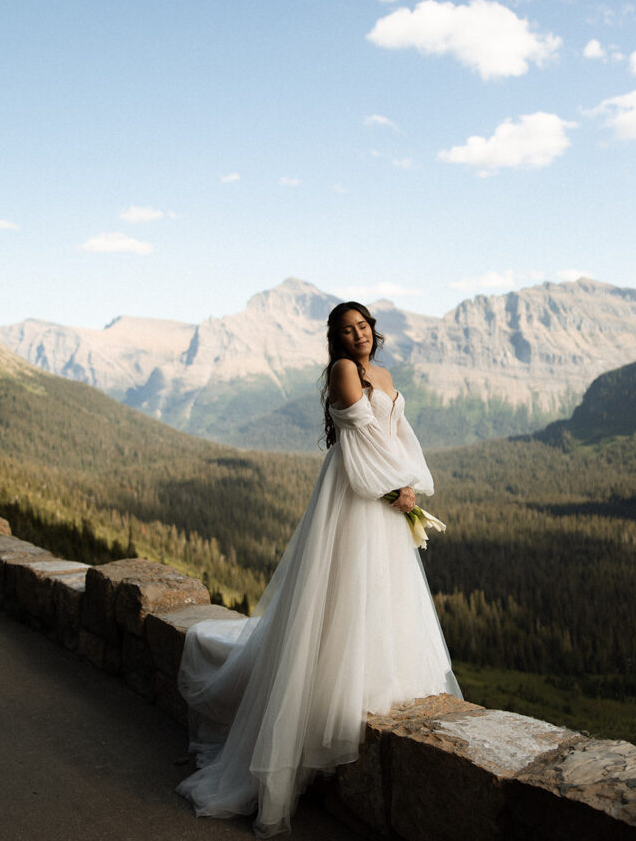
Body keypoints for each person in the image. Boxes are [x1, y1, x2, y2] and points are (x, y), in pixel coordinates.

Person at [176, 301, 462, 838]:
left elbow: (399, 436)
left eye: (363, 327)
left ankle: (372, 681)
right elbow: (367, 440)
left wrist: (411, 483)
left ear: (374, 332)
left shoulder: (384, 373)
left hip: (386, 489)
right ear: (336, 339)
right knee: (342, 590)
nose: (357, 336)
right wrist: (393, 487)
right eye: (347, 330)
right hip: (356, 491)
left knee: (379, 591)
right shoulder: (344, 373)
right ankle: (320, 707)